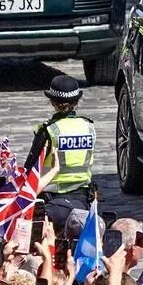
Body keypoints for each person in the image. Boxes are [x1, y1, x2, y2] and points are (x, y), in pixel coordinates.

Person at [25, 73, 96, 228]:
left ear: (52, 102)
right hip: (83, 200)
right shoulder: (89, 127)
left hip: (52, 201)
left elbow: (30, 170)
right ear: (76, 101)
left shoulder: (49, 130)